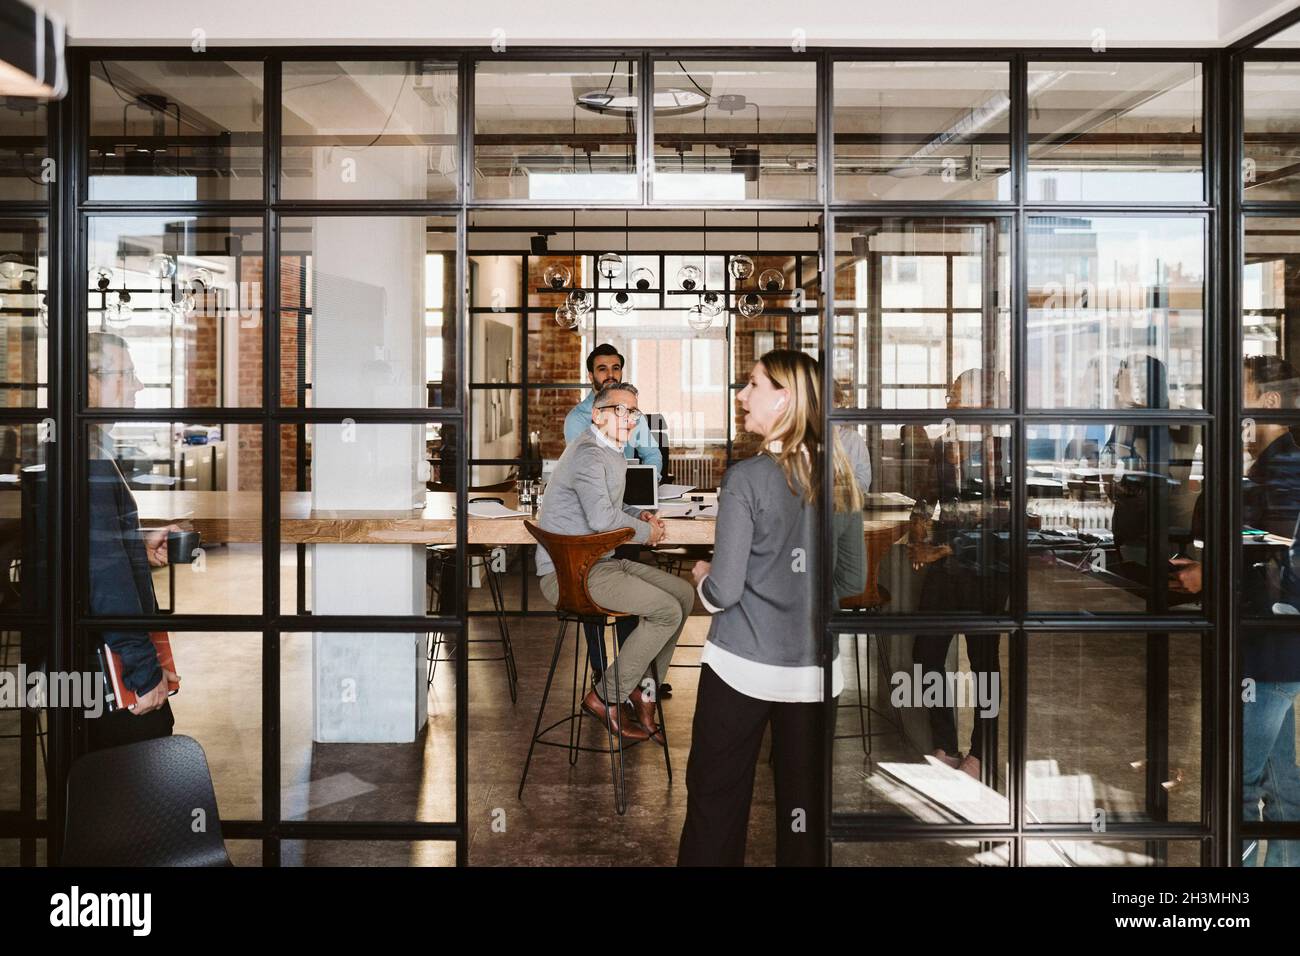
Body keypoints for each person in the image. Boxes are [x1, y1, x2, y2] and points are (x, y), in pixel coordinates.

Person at [677, 350, 865, 867]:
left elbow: (724, 593)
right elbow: (851, 578)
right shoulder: (840, 473)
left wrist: (701, 577)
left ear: (783, 397)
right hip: (814, 676)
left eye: (752, 385)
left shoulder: (745, 479)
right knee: (803, 818)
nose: (741, 395)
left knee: (716, 805)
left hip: (739, 670)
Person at [1169, 354, 1300, 865]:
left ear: (1267, 402)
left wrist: (1209, 574)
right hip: (1273, 651)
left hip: (1269, 650)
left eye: (1236, 391)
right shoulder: (1269, 467)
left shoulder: (1284, 470)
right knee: (1281, 783)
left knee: (1238, 785)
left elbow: (1279, 556)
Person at [535, 380, 694, 743]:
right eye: (619, 410)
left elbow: (614, 509)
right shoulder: (589, 454)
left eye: (633, 412)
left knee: (682, 596)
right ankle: (605, 696)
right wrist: (647, 534)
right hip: (570, 573)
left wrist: (641, 517)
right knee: (666, 611)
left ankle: (643, 690)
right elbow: (603, 521)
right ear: (597, 415)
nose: (628, 417)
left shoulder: (613, 452)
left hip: (598, 563)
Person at [909, 368, 1009, 779]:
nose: (949, 402)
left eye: (956, 395)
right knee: (926, 655)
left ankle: (980, 753)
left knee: (983, 662)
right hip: (946, 567)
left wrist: (944, 548)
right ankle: (945, 744)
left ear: (980, 402)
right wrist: (918, 523)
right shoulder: (945, 446)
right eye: (950, 394)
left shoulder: (1002, 447)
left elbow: (1001, 513)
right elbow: (927, 495)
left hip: (986, 567)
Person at [85, 331, 183, 751]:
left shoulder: (85, 446)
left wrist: (134, 544)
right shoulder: (86, 461)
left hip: (90, 661)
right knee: (134, 779)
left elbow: (86, 548)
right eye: (125, 374)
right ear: (87, 381)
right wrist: (144, 673)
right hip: (111, 671)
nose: (138, 385)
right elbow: (103, 578)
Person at [563, 344, 665, 690]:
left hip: (627, 504)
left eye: (616, 368)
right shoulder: (580, 418)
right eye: (603, 368)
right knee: (605, 594)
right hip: (595, 520)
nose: (610, 374)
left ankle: (631, 675)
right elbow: (590, 475)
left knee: (633, 598)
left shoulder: (632, 415)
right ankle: (600, 670)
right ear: (590, 375)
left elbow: (652, 453)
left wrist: (644, 485)